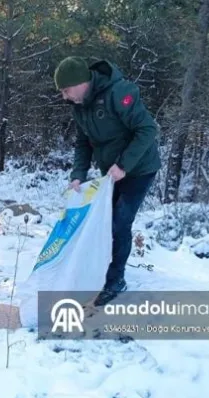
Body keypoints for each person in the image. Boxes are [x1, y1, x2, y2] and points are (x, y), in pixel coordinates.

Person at [53, 56, 161, 306]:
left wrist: (124, 165)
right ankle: (100, 270)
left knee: (120, 222)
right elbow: (83, 142)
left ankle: (115, 281)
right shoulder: (80, 106)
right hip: (111, 172)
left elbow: (147, 129)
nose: (64, 97)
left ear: (81, 83)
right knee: (103, 223)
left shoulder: (119, 93)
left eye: (66, 90)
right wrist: (78, 174)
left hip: (139, 168)